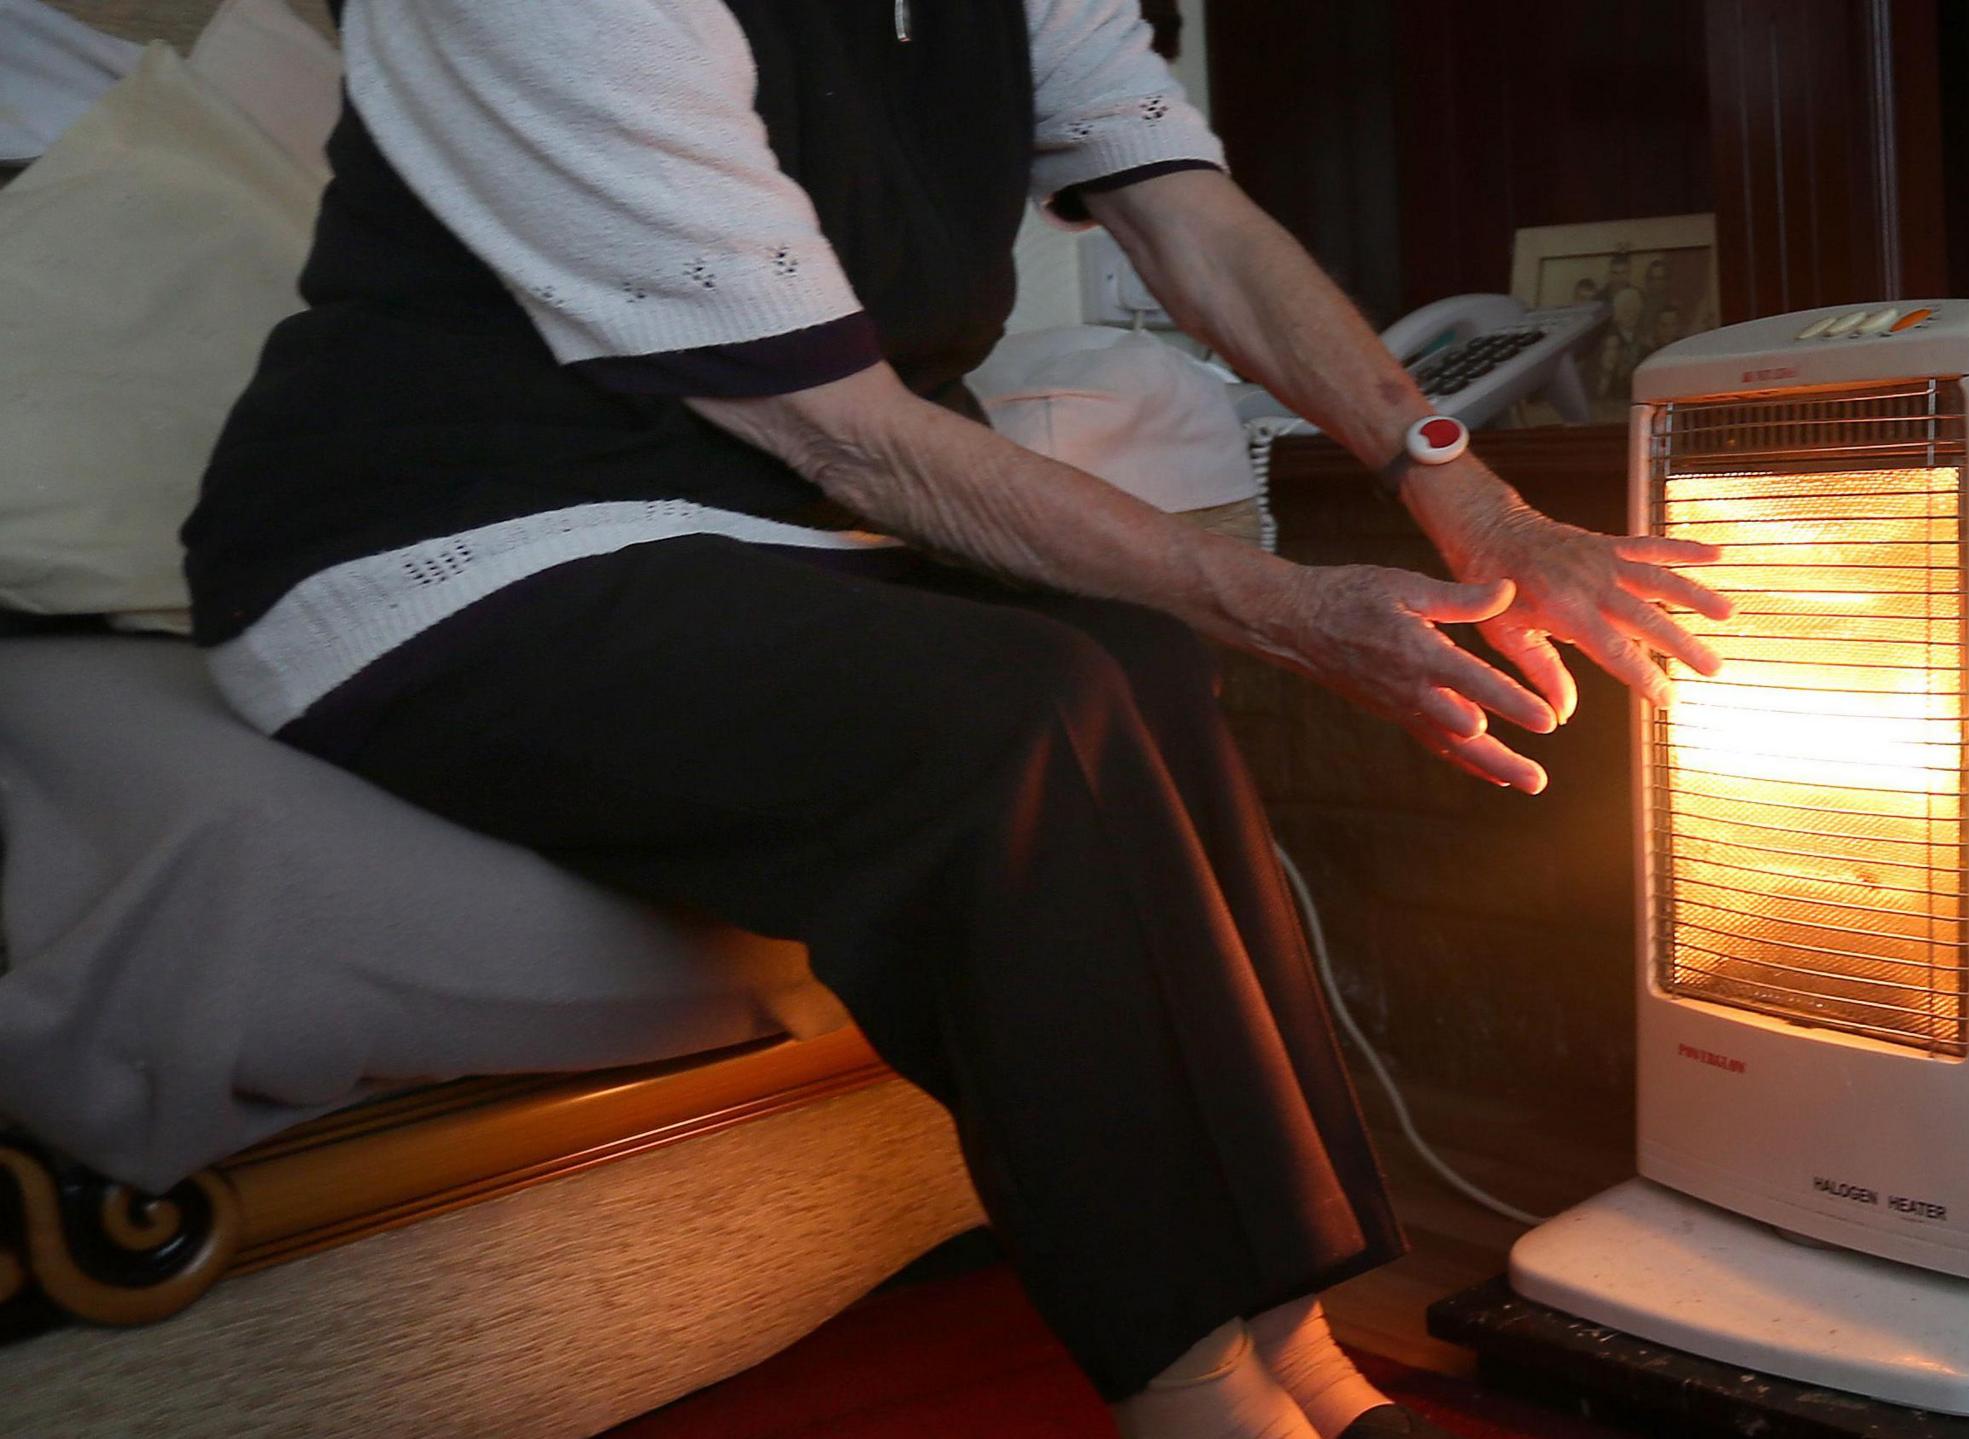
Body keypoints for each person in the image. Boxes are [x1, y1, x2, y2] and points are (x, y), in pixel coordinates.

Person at [180, 3, 1728, 1437]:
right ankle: (1194, 1386)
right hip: (434, 542)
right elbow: (856, 441)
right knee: (1018, 717)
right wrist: (1286, 605)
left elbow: (1190, 215)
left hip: (755, 518)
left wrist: (1470, 497)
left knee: (1141, 662)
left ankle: (1303, 1344)